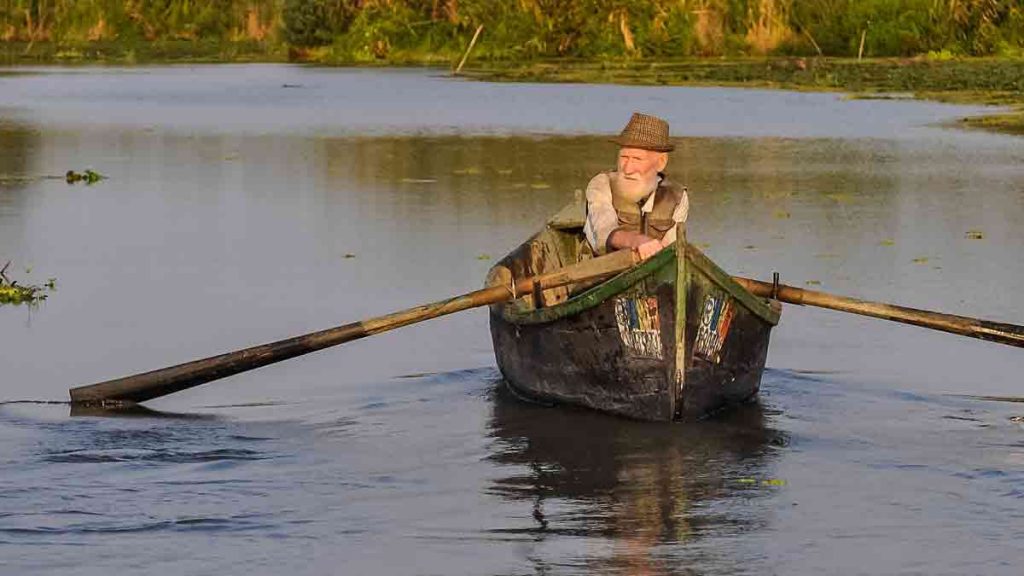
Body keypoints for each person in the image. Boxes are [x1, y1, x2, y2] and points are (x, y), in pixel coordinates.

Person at [583, 112, 689, 261]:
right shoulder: (601, 184)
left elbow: (670, 251)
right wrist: (636, 241)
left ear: (661, 162)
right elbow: (604, 231)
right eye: (624, 158)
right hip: (602, 273)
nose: (627, 168)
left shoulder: (677, 196)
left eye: (637, 159)